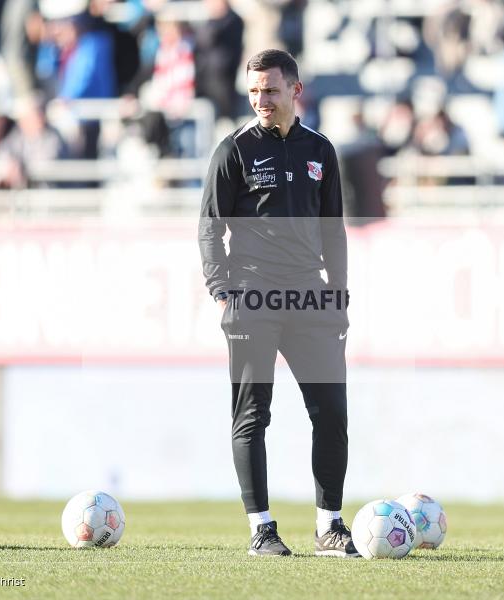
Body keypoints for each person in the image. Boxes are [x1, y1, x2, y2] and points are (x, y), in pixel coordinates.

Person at [198, 49, 356, 558]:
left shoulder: (320, 151)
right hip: (253, 297)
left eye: (270, 90)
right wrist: (222, 289)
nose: (261, 100)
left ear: (295, 91)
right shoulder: (234, 150)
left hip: (312, 297)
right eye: (254, 92)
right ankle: (261, 529)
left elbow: (334, 232)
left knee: (331, 413)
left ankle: (329, 526)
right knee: (252, 415)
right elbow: (209, 228)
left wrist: (339, 293)